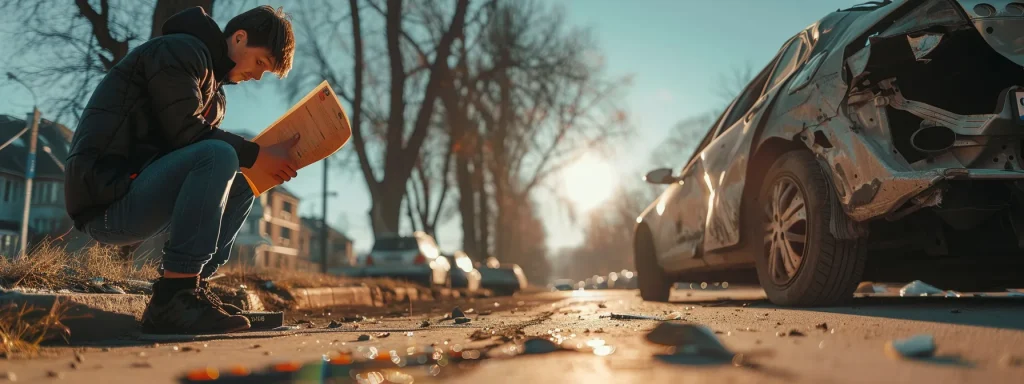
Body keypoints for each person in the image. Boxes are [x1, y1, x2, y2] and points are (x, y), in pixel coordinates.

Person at [64, 5, 299, 334]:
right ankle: (173, 298)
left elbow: (188, 154)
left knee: (245, 179)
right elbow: (185, 132)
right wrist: (258, 153)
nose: (258, 76)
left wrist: (259, 162)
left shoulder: (214, 95)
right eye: (260, 62)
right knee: (219, 154)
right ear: (240, 37)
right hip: (107, 200)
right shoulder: (178, 51)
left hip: (141, 192)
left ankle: (194, 289)